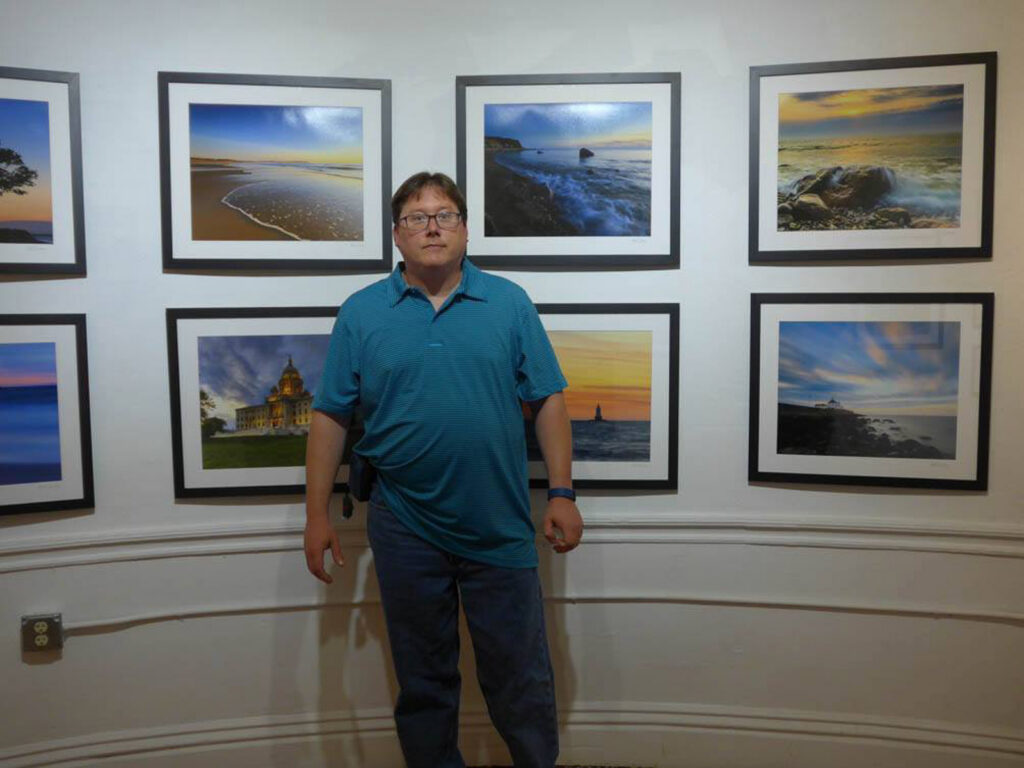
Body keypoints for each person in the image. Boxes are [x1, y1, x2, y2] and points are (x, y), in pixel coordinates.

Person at [304, 171, 583, 768]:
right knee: (424, 682)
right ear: (396, 235)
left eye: (445, 215)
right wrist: (315, 515)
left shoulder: (508, 302)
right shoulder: (362, 313)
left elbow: (548, 400)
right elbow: (330, 416)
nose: (432, 227)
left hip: (498, 522)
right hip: (404, 526)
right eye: (416, 217)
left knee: (519, 677)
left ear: (465, 228)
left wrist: (562, 492)